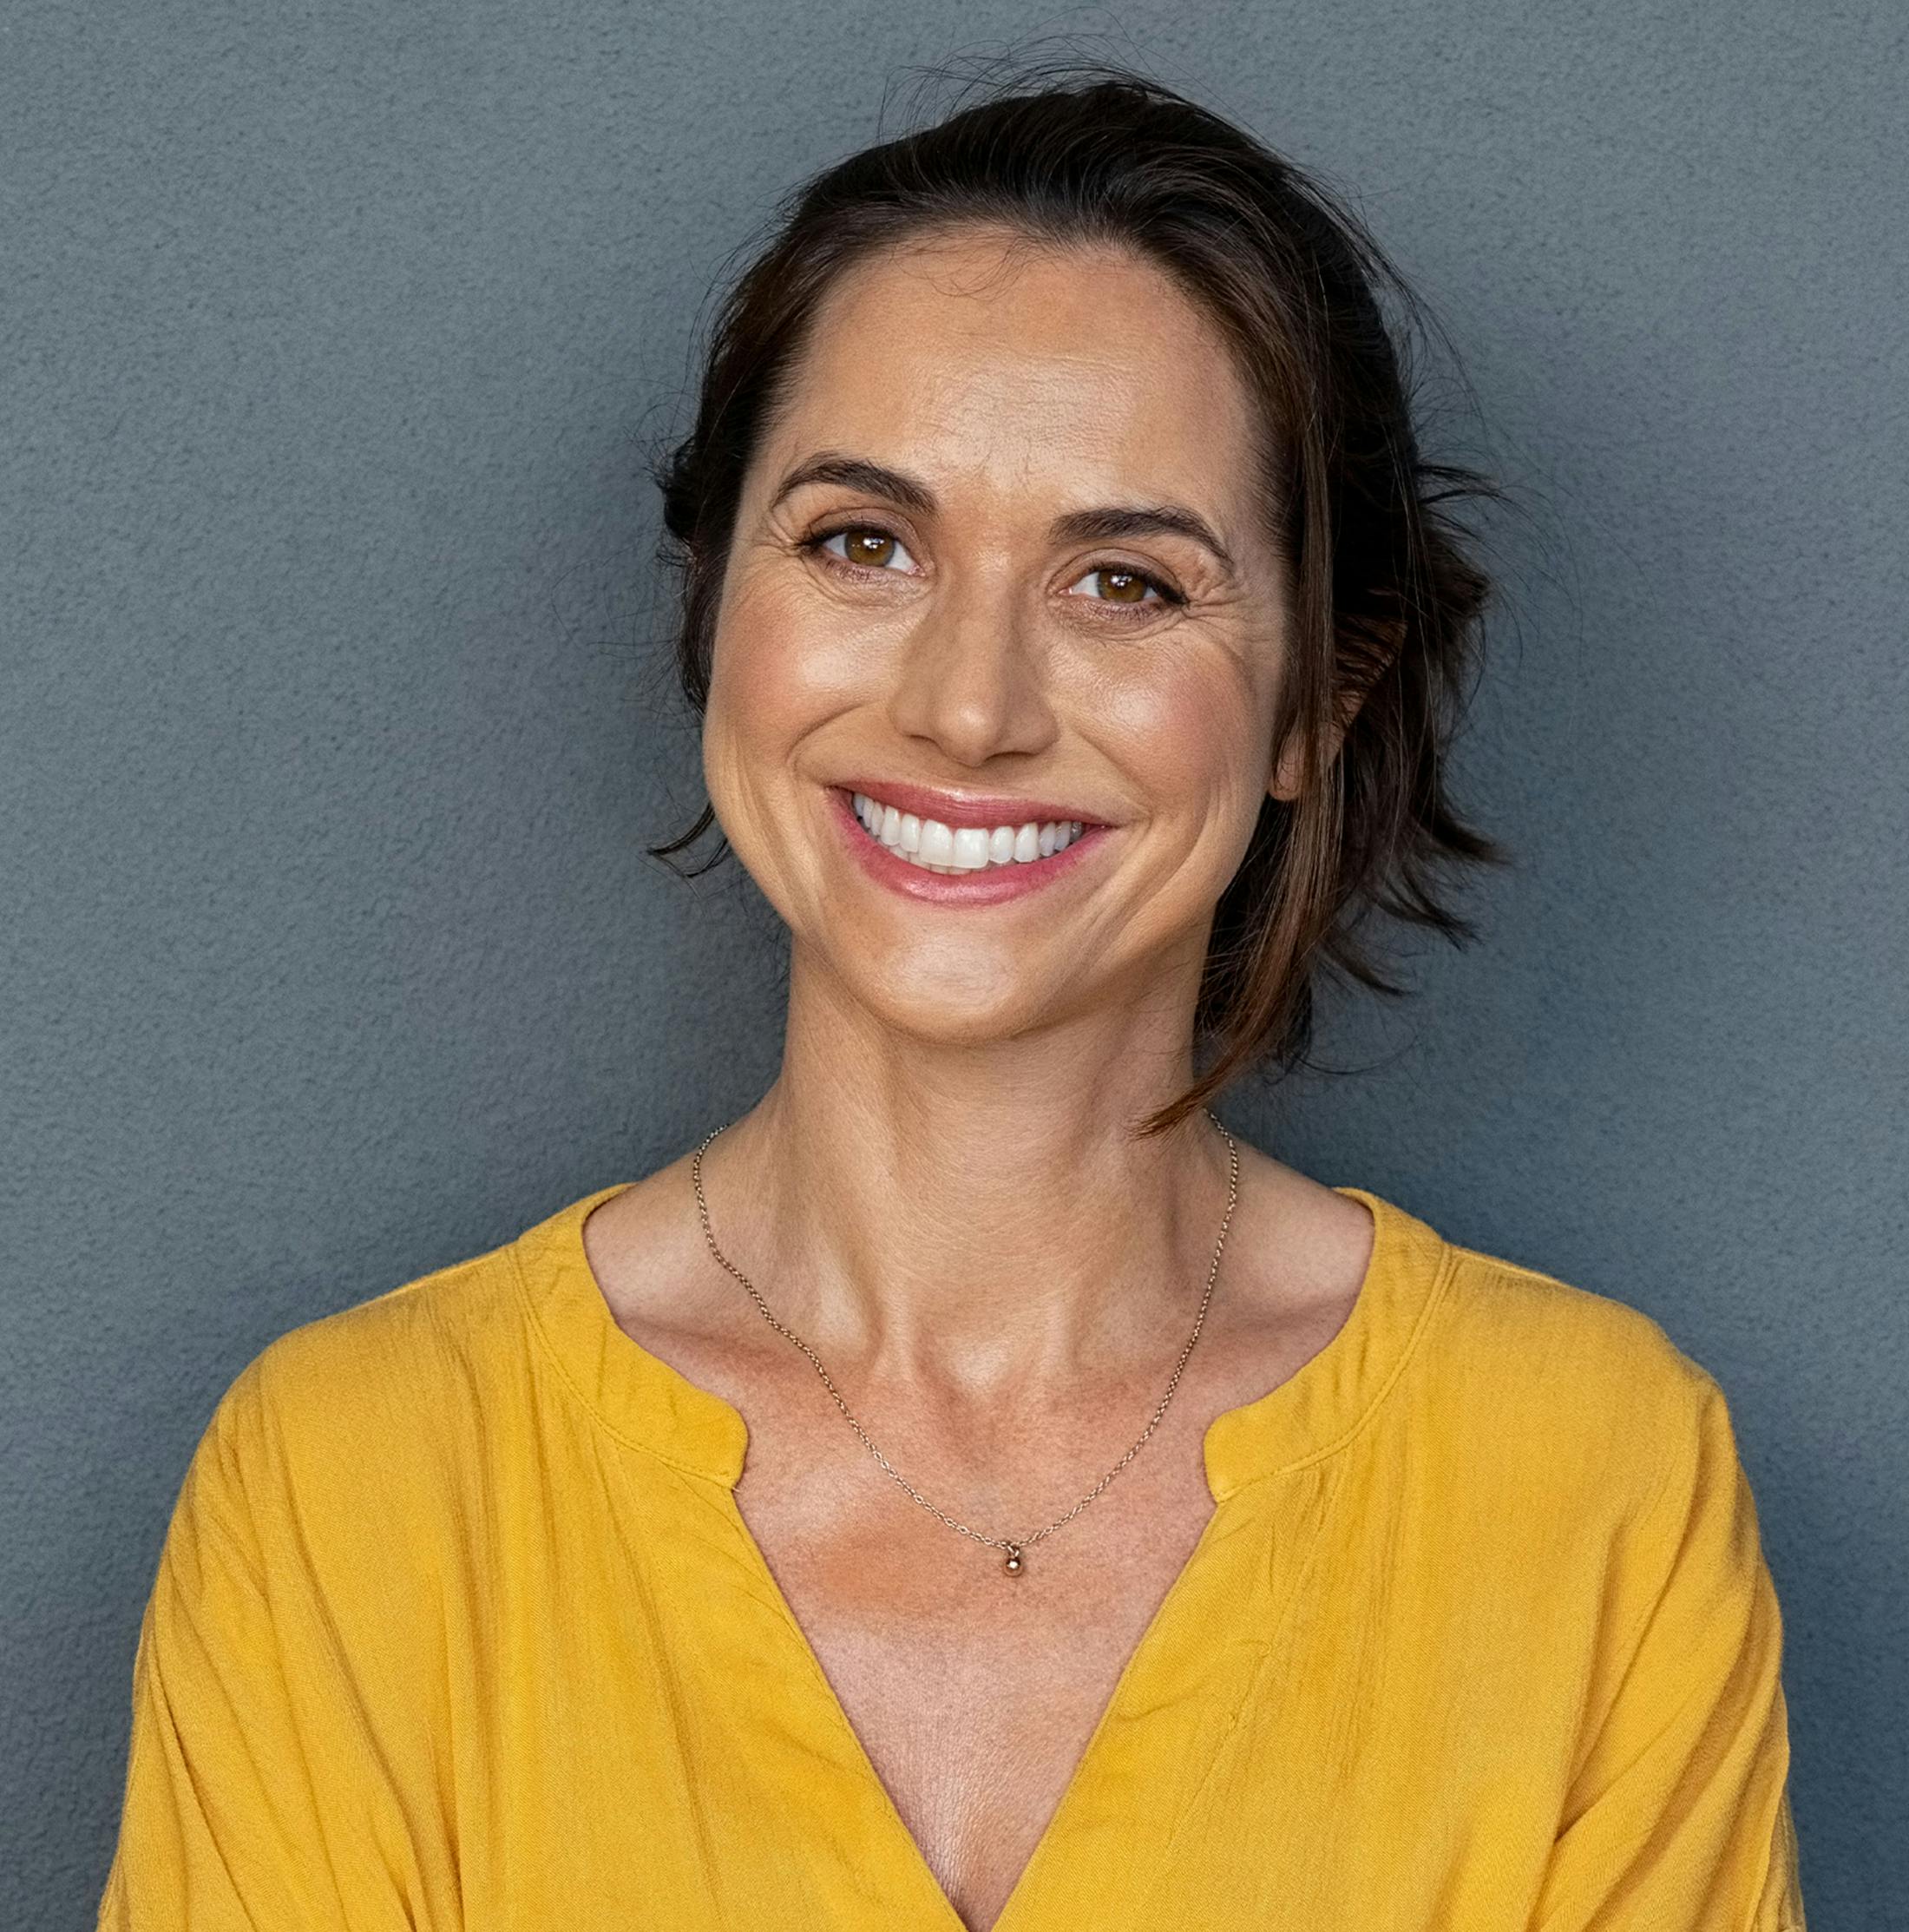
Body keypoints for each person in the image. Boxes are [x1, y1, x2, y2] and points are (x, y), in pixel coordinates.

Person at [95, 62, 1807, 1932]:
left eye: (1125, 582)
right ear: (714, 613)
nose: (966, 706)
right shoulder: (356, 1483)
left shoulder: (1590, 1484)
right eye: (862, 544)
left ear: (1318, 698)